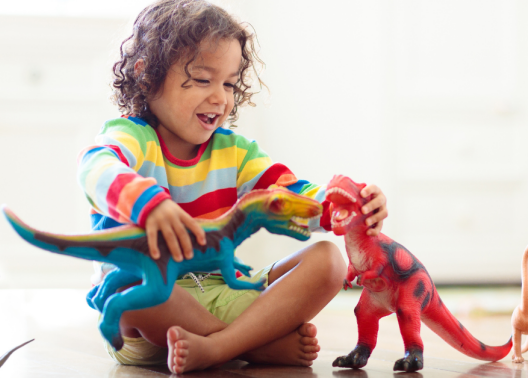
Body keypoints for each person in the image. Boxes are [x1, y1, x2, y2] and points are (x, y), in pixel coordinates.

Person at [78, 0, 388, 374]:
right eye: (204, 80)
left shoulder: (235, 152)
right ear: (147, 76)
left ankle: (218, 346)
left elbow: (289, 194)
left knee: (329, 261)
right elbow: (96, 168)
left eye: (229, 82)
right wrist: (148, 203)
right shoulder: (131, 138)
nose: (220, 98)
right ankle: (252, 347)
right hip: (152, 313)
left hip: (225, 291)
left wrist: (342, 206)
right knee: (135, 288)